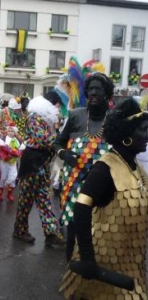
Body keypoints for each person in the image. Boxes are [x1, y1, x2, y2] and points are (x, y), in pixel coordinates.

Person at [60, 97, 148, 299]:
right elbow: (80, 209)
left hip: (132, 262)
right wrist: (88, 259)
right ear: (126, 134)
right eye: (143, 129)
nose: (147, 135)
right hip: (103, 263)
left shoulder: (138, 169)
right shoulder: (104, 168)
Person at [53, 72, 114, 262]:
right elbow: (58, 143)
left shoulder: (114, 119)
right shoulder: (75, 115)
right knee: (73, 224)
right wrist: (64, 154)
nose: (94, 93)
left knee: (100, 224)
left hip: (103, 184)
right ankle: (71, 265)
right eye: (91, 89)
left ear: (107, 94)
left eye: (99, 89)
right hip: (73, 183)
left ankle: (94, 266)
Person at [13, 95, 64, 245]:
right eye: (57, 105)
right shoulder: (35, 117)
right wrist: (62, 141)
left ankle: (51, 232)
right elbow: (42, 139)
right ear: (49, 104)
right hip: (32, 163)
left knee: (44, 199)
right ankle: (20, 230)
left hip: (43, 164)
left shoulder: (46, 119)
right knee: (26, 200)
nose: (59, 108)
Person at [0, 125, 23, 202]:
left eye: (12, 131)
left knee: (13, 177)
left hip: (13, 162)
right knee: (3, 177)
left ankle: (9, 194)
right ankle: (0, 194)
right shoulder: (3, 139)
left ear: (15, 133)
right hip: (4, 162)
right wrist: (5, 156)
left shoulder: (18, 141)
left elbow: (20, 151)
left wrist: (16, 153)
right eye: (9, 131)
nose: (10, 133)